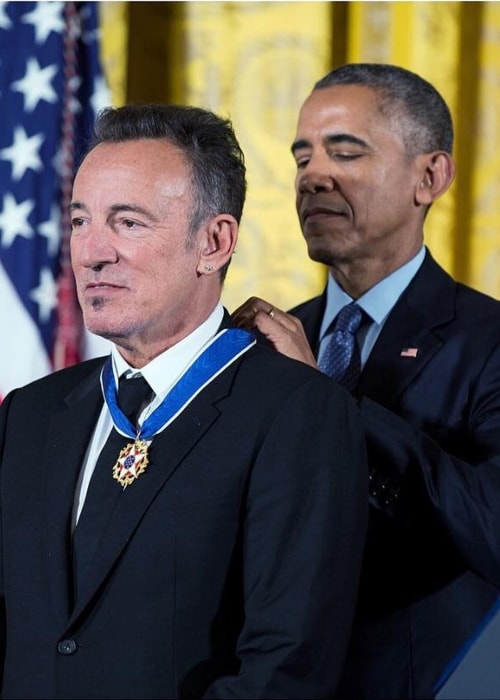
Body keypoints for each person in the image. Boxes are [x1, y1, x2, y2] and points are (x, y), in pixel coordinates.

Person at [0, 103, 368, 699]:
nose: (91, 253)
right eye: (79, 221)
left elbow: (286, 670)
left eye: (128, 223)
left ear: (214, 242)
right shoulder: (30, 413)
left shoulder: (297, 412)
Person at [232, 63, 500, 700]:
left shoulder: (488, 340)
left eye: (344, 151)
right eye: (302, 156)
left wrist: (330, 402)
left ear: (429, 176)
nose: (312, 176)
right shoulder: (256, 347)